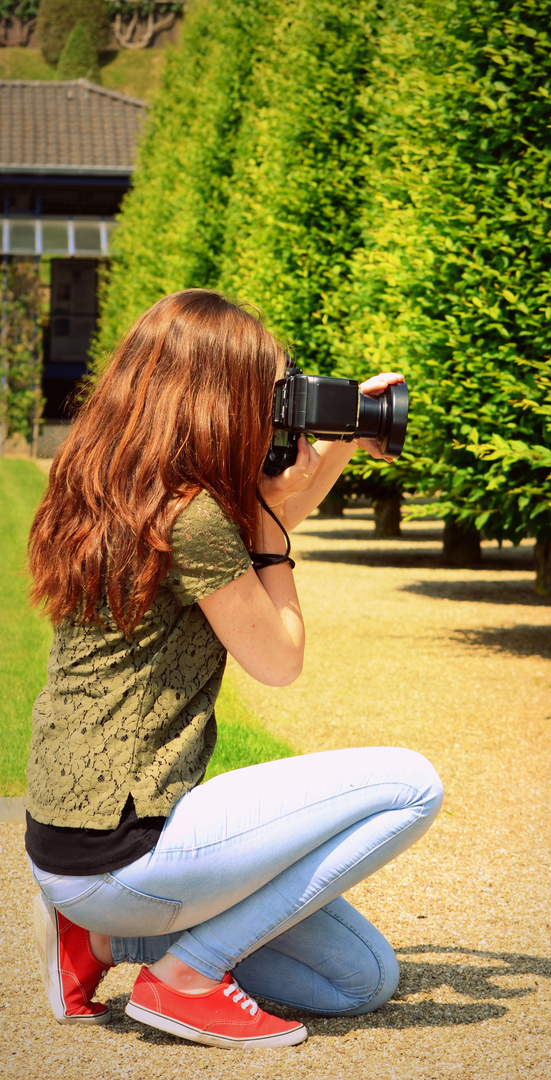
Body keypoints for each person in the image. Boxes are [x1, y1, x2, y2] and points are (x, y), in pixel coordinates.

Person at [25, 289, 443, 1050]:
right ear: (215, 393)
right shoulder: (195, 517)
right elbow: (278, 658)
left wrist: (340, 440)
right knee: (414, 785)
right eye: (267, 391)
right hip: (132, 845)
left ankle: (102, 942)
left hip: (72, 845)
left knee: (360, 981)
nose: (274, 410)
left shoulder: (104, 482)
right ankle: (188, 977)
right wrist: (277, 539)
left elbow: (263, 521)